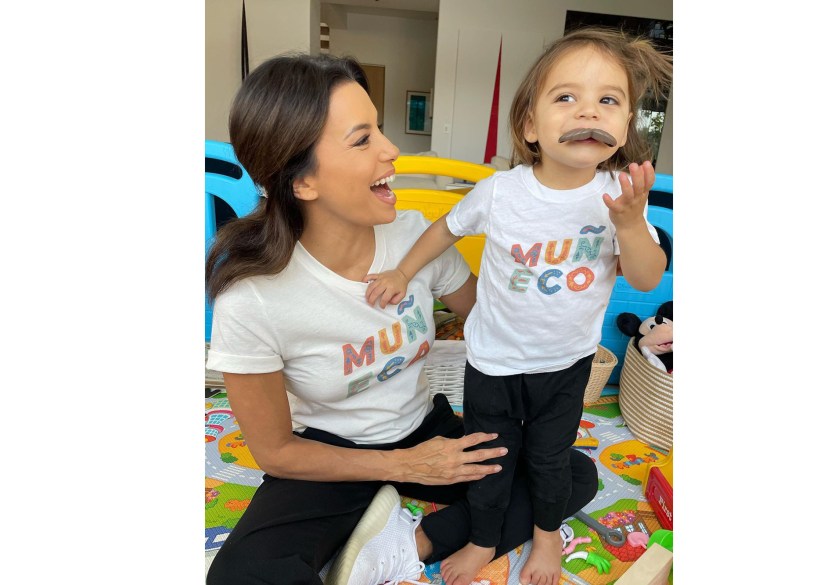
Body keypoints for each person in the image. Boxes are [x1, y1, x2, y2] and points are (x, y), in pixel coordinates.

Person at [204, 52, 599, 585]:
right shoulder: (252, 298)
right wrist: (403, 468)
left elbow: (492, 319)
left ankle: (409, 544)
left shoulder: (415, 237)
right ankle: (392, 514)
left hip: (422, 426)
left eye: (381, 130)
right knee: (244, 576)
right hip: (328, 451)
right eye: (363, 139)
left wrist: (557, 264)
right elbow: (276, 451)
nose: (392, 150)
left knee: (570, 472)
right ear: (301, 182)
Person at [364, 27, 673, 585]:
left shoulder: (618, 198)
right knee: (490, 460)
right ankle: (484, 538)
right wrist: (403, 271)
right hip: (494, 364)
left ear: (625, 125)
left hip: (567, 364)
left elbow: (648, 277)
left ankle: (547, 537)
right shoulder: (501, 192)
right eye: (566, 97)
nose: (589, 111)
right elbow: (443, 229)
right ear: (530, 126)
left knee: (552, 460)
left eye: (609, 100)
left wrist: (630, 223)